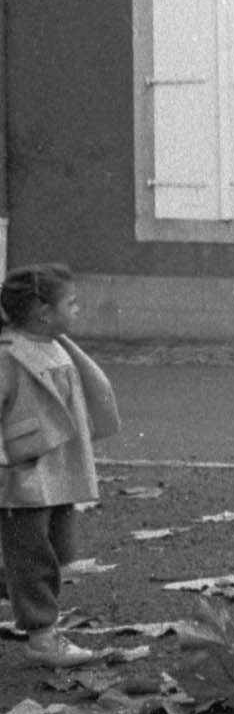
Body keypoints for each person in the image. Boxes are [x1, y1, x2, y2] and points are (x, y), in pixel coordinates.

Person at [0, 264, 122, 665]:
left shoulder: (57, 346)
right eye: (71, 303)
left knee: (55, 549)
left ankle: (24, 596)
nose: (77, 310)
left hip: (59, 468)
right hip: (23, 472)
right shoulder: (10, 354)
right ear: (42, 312)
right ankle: (42, 637)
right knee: (33, 554)